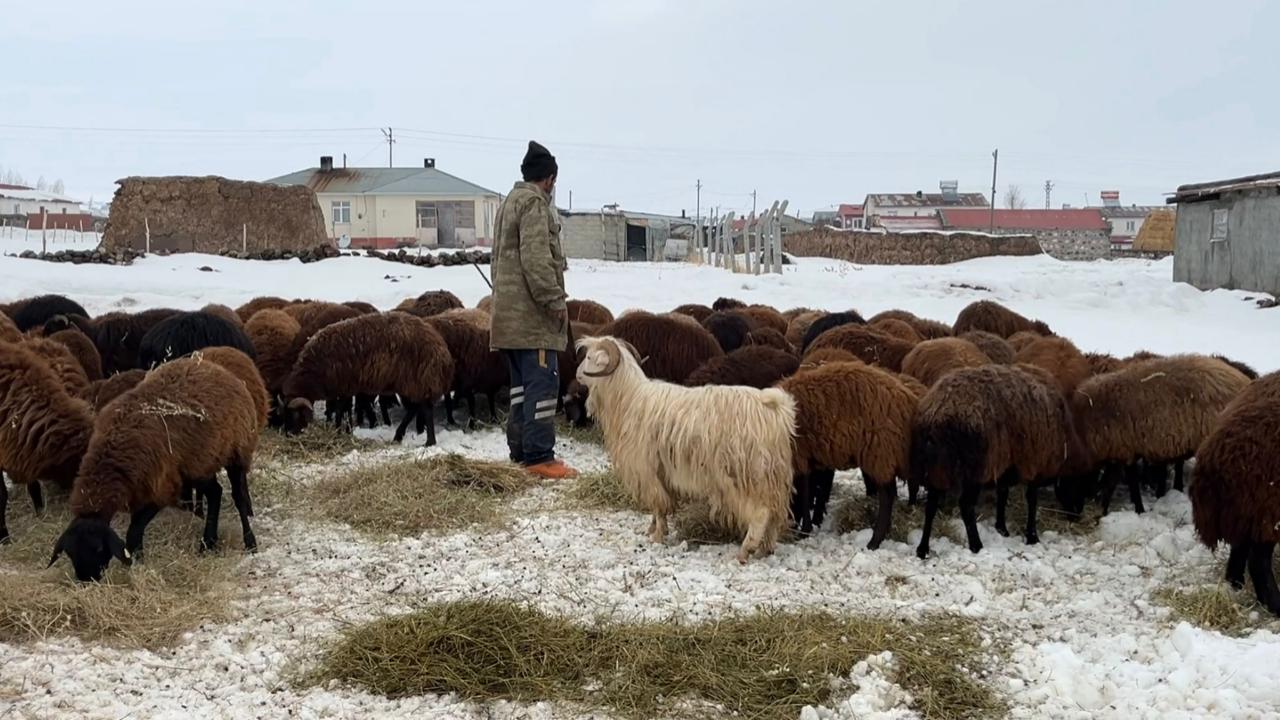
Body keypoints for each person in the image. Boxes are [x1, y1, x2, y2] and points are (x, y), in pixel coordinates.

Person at [488, 141, 578, 479]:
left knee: (520, 390)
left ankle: (521, 452)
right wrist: (554, 301)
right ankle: (540, 456)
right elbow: (538, 261)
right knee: (542, 387)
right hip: (532, 319)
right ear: (550, 179)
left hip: (509, 318)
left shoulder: (510, 203)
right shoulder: (535, 206)